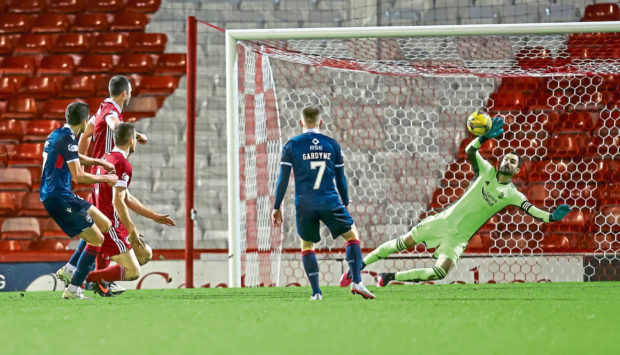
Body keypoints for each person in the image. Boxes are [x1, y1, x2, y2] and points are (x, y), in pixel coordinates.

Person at [340, 116, 572, 287]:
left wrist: (551, 217)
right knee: (402, 243)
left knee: (439, 273)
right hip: (442, 221)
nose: (508, 163)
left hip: (458, 238)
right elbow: (471, 151)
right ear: (500, 161)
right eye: (506, 159)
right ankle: (360, 265)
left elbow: (532, 211)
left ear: (518, 170)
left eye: (513, 162)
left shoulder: (512, 194)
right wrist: (482, 138)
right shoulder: (486, 171)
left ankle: (390, 278)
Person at [272, 106, 375, 300]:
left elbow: (282, 180)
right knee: (352, 236)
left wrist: (276, 207)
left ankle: (316, 292)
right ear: (321, 122)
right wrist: (344, 201)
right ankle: (357, 282)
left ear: (300, 122)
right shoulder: (331, 145)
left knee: (307, 246)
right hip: (329, 199)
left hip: (305, 204)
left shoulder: (291, 145)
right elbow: (341, 178)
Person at [57, 75, 148, 295]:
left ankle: (74, 269)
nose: (131, 95)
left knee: (99, 226)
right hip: (109, 174)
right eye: (130, 91)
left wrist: (87, 161)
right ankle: (89, 278)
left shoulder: (100, 109)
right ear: (124, 92)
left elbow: (86, 135)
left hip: (101, 173)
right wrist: (136, 134)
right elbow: (115, 125)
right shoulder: (111, 113)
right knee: (106, 226)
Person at [85, 123, 175, 296]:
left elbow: (126, 197)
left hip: (103, 219)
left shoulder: (107, 157)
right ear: (131, 141)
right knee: (133, 272)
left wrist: (154, 216)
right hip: (109, 224)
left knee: (144, 254)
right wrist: (131, 229)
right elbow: (118, 201)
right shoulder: (122, 164)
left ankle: (98, 279)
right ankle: (83, 279)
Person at [41, 102, 118, 299]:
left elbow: (74, 157)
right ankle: (73, 289)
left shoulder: (57, 135)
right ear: (84, 121)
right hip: (59, 197)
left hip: (61, 193)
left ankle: (69, 268)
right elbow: (79, 176)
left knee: (105, 224)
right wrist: (105, 178)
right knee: (97, 239)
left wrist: (98, 161)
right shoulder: (68, 139)